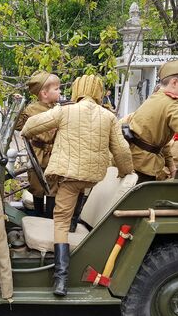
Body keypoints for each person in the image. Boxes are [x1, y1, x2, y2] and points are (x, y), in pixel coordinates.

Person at [21, 74, 133, 296]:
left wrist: (28, 133)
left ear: (77, 90)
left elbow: (31, 125)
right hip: (91, 178)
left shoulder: (66, 111)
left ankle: (61, 278)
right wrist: (125, 171)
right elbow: (122, 151)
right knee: (80, 190)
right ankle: (75, 222)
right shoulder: (108, 116)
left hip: (70, 177)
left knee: (60, 221)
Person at [16, 71, 61, 218]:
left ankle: (49, 219)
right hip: (37, 154)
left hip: (54, 155)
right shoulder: (31, 109)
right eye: (56, 89)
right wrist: (18, 107)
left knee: (53, 188)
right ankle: (38, 216)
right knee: (37, 187)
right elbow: (19, 125)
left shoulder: (58, 108)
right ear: (44, 93)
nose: (60, 91)